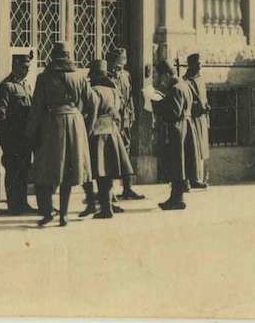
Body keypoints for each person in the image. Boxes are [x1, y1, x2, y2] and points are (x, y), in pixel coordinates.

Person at [26, 42, 96, 227]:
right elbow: (93, 103)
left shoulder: (44, 77)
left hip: (52, 124)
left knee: (47, 169)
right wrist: (87, 127)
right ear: (68, 56)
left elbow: (36, 107)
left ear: (53, 55)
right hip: (75, 123)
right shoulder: (79, 76)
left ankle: (48, 210)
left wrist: (30, 132)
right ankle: (64, 215)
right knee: (69, 172)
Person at [80, 60, 134, 219]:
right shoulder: (114, 91)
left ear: (95, 76)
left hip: (97, 133)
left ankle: (97, 205)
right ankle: (107, 206)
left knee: (93, 170)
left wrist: (86, 131)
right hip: (112, 132)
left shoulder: (93, 91)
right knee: (108, 173)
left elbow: (90, 114)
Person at [0, 51, 36, 215]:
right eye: (24, 67)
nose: (27, 70)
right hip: (12, 137)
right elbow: (0, 113)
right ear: (15, 65)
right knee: (12, 170)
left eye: (28, 67)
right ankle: (13, 205)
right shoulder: (7, 86)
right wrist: (4, 138)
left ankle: (22, 202)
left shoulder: (26, 85)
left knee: (23, 170)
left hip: (25, 137)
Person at [154, 60, 200, 211]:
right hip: (185, 126)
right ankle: (176, 198)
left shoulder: (175, 88)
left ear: (167, 75)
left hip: (177, 129)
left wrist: (157, 103)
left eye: (160, 77)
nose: (159, 80)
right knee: (180, 164)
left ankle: (177, 199)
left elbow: (173, 112)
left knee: (177, 163)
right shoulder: (184, 84)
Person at [108, 48, 145, 201]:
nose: (121, 65)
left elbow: (129, 98)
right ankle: (109, 192)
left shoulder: (126, 76)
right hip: (113, 119)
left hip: (125, 119)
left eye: (123, 60)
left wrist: (131, 116)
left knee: (126, 151)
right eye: (119, 61)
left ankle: (127, 188)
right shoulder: (108, 78)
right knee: (111, 152)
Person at [184, 53, 211, 189]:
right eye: (198, 64)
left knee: (201, 150)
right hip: (192, 120)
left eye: (201, 63)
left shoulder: (200, 79)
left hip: (202, 119)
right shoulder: (186, 81)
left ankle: (197, 178)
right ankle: (189, 179)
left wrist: (206, 109)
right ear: (191, 65)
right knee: (192, 150)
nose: (201, 66)